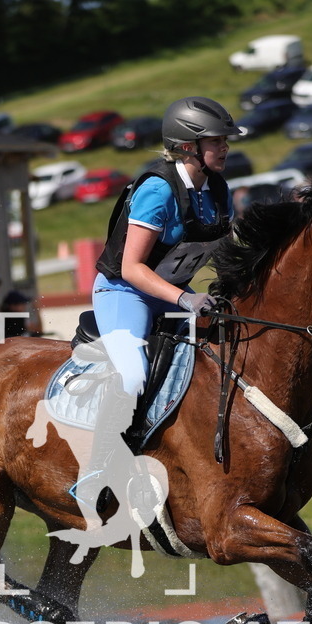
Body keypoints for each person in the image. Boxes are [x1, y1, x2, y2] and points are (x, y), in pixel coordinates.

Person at [78, 96, 240, 509]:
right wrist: (186, 298)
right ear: (188, 146)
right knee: (132, 376)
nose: (225, 148)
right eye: (217, 141)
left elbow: (225, 255)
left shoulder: (218, 191)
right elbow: (132, 268)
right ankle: (95, 473)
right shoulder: (157, 189)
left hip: (172, 298)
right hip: (125, 294)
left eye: (225, 141)